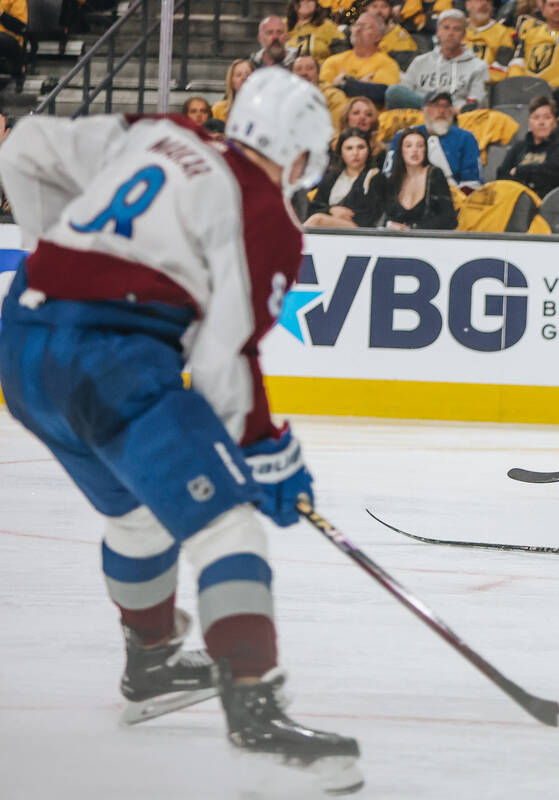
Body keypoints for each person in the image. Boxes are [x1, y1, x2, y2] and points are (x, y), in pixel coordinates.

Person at [0, 67, 363, 793]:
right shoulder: (266, 213)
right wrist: (265, 454)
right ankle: (255, 706)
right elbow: (226, 351)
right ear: (297, 152)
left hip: (20, 340)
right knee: (226, 524)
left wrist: (62, 253)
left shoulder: (161, 134)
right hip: (110, 356)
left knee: (139, 517)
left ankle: (155, 660)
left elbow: (25, 149)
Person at [387, 9, 489, 110]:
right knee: (394, 91)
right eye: (446, 28)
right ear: (438, 32)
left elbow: (477, 103)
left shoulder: (478, 67)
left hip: (455, 118)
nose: (450, 33)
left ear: (464, 35)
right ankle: (434, 108)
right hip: (420, 117)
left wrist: (451, 110)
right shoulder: (420, 62)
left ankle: (438, 109)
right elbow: (404, 95)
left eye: (456, 29)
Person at [385, 89, 483, 190]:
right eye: (435, 105)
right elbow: (389, 176)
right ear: (423, 110)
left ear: (452, 111)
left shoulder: (466, 138)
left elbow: (472, 182)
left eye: (446, 106)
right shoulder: (404, 136)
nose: (441, 111)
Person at [507, 0, 559, 123]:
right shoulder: (530, 34)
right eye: (551, 5)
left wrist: (551, 85)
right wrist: (520, 83)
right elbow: (516, 63)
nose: (556, 9)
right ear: (543, 9)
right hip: (528, 89)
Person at [495, 95, 559, 198]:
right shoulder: (519, 147)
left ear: (554, 122)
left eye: (547, 117)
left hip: (550, 204)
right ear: (530, 122)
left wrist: (519, 171)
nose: (541, 122)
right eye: (536, 117)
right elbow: (502, 175)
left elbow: (558, 174)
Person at [305, 127, 387, 228]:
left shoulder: (375, 176)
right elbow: (313, 208)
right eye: (349, 148)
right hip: (329, 230)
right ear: (341, 152)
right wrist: (331, 210)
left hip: (361, 230)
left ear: (368, 150)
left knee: (317, 220)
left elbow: (373, 214)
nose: (355, 153)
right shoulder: (331, 178)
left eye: (361, 147)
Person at [319, 11, 402, 107]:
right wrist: (361, 86)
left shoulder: (388, 64)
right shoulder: (332, 61)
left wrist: (343, 83)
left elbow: (382, 94)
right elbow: (320, 93)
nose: (358, 29)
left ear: (378, 37)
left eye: (365, 27)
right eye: (356, 25)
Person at [382, 127, 459, 230]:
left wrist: (412, 228)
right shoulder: (394, 180)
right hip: (398, 241)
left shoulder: (435, 174)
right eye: (409, 146)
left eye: (420, 146)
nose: (415, 150)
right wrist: (390, 225)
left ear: (425, 150)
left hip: (428, 241)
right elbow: (384, 217)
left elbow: (449, 219)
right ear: (401, 151)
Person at [293, 53, 351, 133]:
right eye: (298, 69)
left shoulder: (334, 97)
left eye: (309, 68)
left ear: (318, 73)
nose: (304, 73)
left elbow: (338, 132)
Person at [466, 0, 517, 82]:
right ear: (467, 4)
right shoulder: (456, 28)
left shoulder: (504, 33)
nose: (484, 3)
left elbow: (499, 73)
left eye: (488, 1)